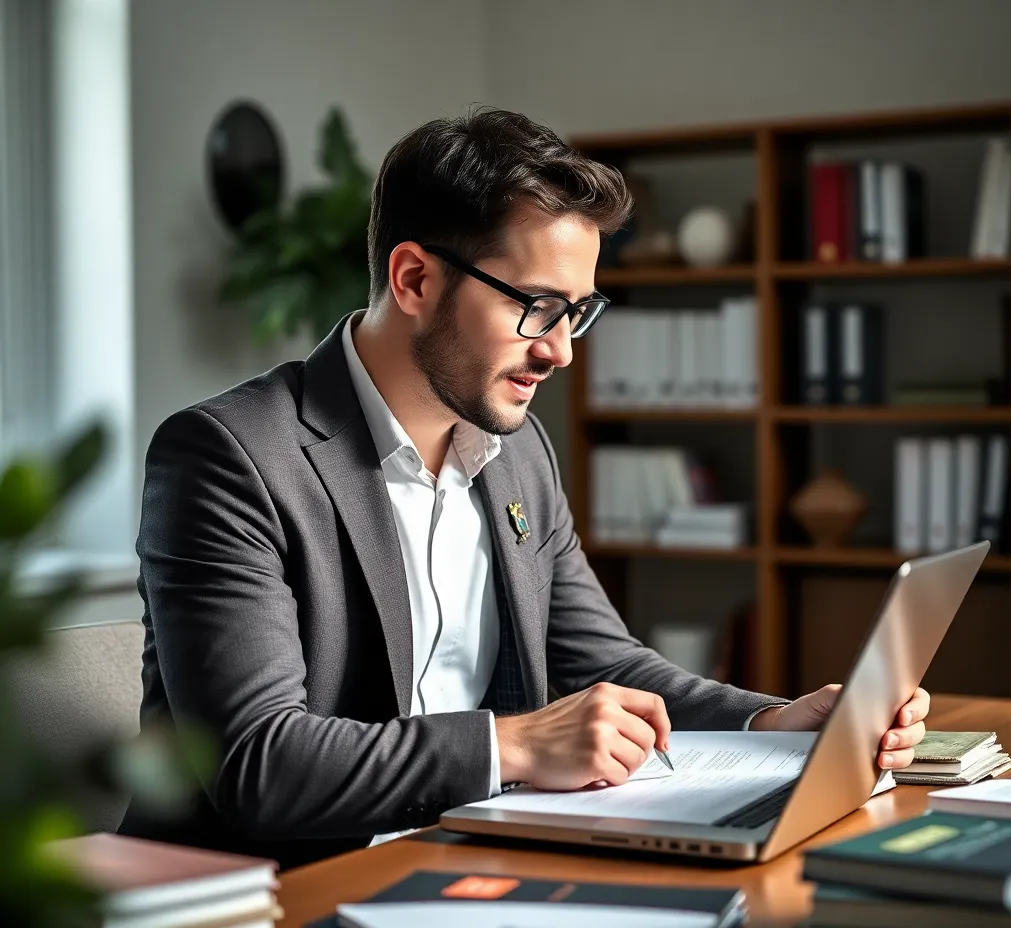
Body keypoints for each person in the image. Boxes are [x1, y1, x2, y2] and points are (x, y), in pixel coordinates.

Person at [120, 109, 928, 869]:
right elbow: (260, 763)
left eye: (578, 313)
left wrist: (770, 720)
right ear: (414, 280)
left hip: (471, 861)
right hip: (268, 904)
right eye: (539, 309)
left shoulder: (516, 451)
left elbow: (601, 661)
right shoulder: (230, 456)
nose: (563, 354)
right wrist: (515, 746)